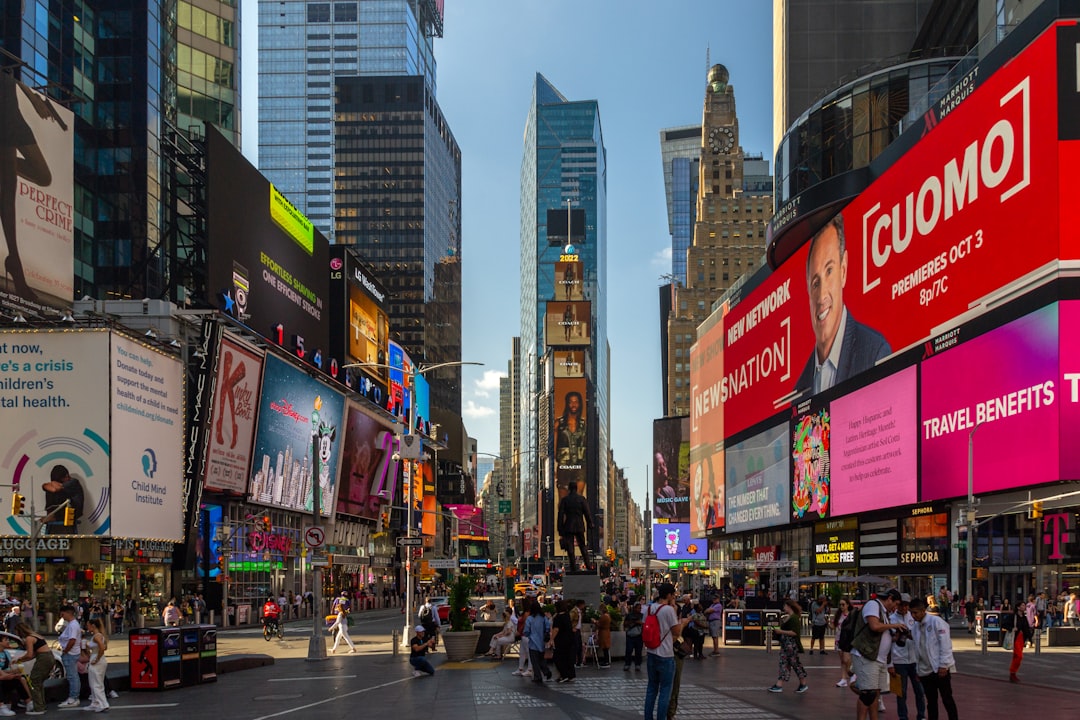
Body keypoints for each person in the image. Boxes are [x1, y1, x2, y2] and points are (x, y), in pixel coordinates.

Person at [794, 215, 891, 397]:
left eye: (829, 271)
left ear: (843, 270)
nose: (822, 296)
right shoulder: (800, 389)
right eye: (815, 283)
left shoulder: (875, 353)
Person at [1, 71, 66, 304]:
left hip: (12, 109)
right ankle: (16, 264)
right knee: (8, 190)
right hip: (2, 113)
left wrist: (33, 98)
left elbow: (12, 70)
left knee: (43, 175)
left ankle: (3, 166)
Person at [850, 588, 904, 720]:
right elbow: (874, 626)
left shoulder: (884, 613)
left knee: (875, 695)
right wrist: (894, 626)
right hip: (867, 655)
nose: (896, 608)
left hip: (879, 659)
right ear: (889, 598)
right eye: (896, 604)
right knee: (867, 694)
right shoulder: (873, 605)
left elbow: (882, 634)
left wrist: (896, 636)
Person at [644, 582, 686, 720]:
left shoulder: (649, 608)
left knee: (651, 689)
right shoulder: (668, 610)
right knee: (665, 690)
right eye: (673, 594)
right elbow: (676, 631)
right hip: (665, 654)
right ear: (668, 595)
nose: (674, 597)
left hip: (651, 652)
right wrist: (683, 622)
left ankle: (648, 717)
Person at [910, 598, 958, 720]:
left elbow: (945, 644)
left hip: (939, 668)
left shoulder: (936, 621)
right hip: (925, 669)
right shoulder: (915, 627)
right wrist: (918, 669)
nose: (913, 616)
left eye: (915, 612)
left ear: (923, 611)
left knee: (947, 699)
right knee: (931, 701)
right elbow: (918, 649)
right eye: (912, 613)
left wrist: (944, 665)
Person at [888, 594, 926, 720]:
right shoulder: (891, 619)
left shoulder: (914, 617)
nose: (904, 608)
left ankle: (921, 715)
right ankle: (903, 716)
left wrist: (911, 635)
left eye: (906, 605)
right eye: (901, 605)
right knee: (901, 692)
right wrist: (890, 664)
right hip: (899, 660)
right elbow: (887, 642)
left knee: (919, 691)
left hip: (914, 660)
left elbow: (921, 637)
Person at [768, 597, 808, 694]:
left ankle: (802, 683)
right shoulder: (791, 617)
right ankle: (779, 684)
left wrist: (780, 631)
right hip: (787, 645)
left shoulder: (793, 618)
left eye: (785, 606)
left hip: (790, 645)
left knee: (793, 663)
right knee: (785, 663)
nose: (784, 608)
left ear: (789, 606)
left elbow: (795, 633)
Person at [13, 621, 53, 716]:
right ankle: (41, 705)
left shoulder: (29, 638)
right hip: (49, 657)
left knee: (34, 681)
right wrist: (22, 660)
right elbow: (33, 654)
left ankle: (38, 708)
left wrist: (19, 659)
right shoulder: (36, 636)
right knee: (38, 682)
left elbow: (30, 654)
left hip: (43, 658)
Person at [556, 481, 593, 572]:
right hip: (579, 525)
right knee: (583, 547)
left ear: (569, 489)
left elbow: (560, 516)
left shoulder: (565, 500)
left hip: (568, 526)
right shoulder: (581, 499)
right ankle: (588, 566)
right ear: (576, 489)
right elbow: (587, 513)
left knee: (570, 549)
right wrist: (590, 523)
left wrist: (560, 529)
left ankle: (573, 568)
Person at [42, 465, 85, 534]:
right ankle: (51, 514)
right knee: (49, 491)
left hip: (73, 511)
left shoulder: (73, 482)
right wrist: (44, 485)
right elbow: (48, 488)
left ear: (66, 476)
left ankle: (53, 516)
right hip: (60, 511)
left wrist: (51, 484)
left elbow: (55, 489)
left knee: (54, 491)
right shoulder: (56, 484)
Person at [57, 604, 82, 708]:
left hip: (70, 653)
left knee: (72, 676)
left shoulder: (72, 625)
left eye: (63, 614)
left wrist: (66, 650)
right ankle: (74, 697)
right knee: (73, 676)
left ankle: (73, 698)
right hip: (72, 652)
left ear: (68, 613)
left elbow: (72, 640)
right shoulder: (72, 624)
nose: (62, 616)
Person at [523, 599, 552, 685]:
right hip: (541, 642)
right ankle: (546, 671)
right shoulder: (543, 618)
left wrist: (528, 635)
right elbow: (547, 627)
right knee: (541, 659)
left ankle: (537, 676)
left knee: (534, 661)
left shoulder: (530, 619)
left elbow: (526, 631)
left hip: (533, 642)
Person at [0, 633, 29, 716]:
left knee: (18, 680)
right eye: (6, 640)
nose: (8, 641)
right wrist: (6, 676)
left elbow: (7, 669)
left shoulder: (6, 653)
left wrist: (15, 672)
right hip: (2, 676)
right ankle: (1, 707)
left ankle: (28, 701)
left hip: (3, 675)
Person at [84, 618, 109, 713]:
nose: (87, 627)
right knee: (94, 682)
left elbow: (102, 648)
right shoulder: (99, 635)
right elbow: (103, 647)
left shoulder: (96, 636)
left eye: (88, 625)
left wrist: (97, 658)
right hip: (96, 658)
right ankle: (95, 702)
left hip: (97, 659)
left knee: (96, 683)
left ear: (93, 625)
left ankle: (102, 703)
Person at [551, 600, 576, 682]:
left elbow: (556, 629)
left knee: (558, 658)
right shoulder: (567, 615)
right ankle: (570, 675)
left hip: (561, 640)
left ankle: (564, 674)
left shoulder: (558, 618)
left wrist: (551, 639)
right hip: (569, 639)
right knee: (568, 657)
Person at [1009, 599, 1032, 683]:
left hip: (1021, 638)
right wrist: (1012, 628)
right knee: (1019, 656)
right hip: (1015, 637)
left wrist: (1030, 639)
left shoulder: (1024, 617)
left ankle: (1013, 673)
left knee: (1017, 656)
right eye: (1022, 605)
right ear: (1018, 607)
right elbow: (1004, 624)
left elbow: (1027, 629)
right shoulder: (1013, 616)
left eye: (1024, 605)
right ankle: (1012, 672)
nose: (1024, 607)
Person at [834, 599, 855, 687]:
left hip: (847, 639)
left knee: (846, 659)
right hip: (839, 639)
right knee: (842, 660)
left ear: (847, 605)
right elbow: (834, 626)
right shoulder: (839, 615)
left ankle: (852, 673)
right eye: (840, 605)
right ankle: (843, 678)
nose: (841, 607)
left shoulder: (851, 615)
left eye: (843, 604)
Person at [623, 600, 644, 671]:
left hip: (639, 636)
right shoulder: (629, 615)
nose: (639, 609)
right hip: (630, 636)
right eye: (638, 608)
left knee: (638, 651)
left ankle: (637, 664)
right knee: (629, 651)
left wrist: (640, 623)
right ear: (634, 608)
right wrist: (633, 622)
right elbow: (625, 624)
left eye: (640, 608)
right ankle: (627, 664)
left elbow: (644, 624)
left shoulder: (641, 616)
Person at [595, 603, 612, 668]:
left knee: (605, 648)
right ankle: (606, 661)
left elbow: (600, 624)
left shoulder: (604, 617)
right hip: (607, 632)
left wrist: (595, 622)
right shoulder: (608, 616)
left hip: (603, 633)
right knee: (606, 648)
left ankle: (606, 662)